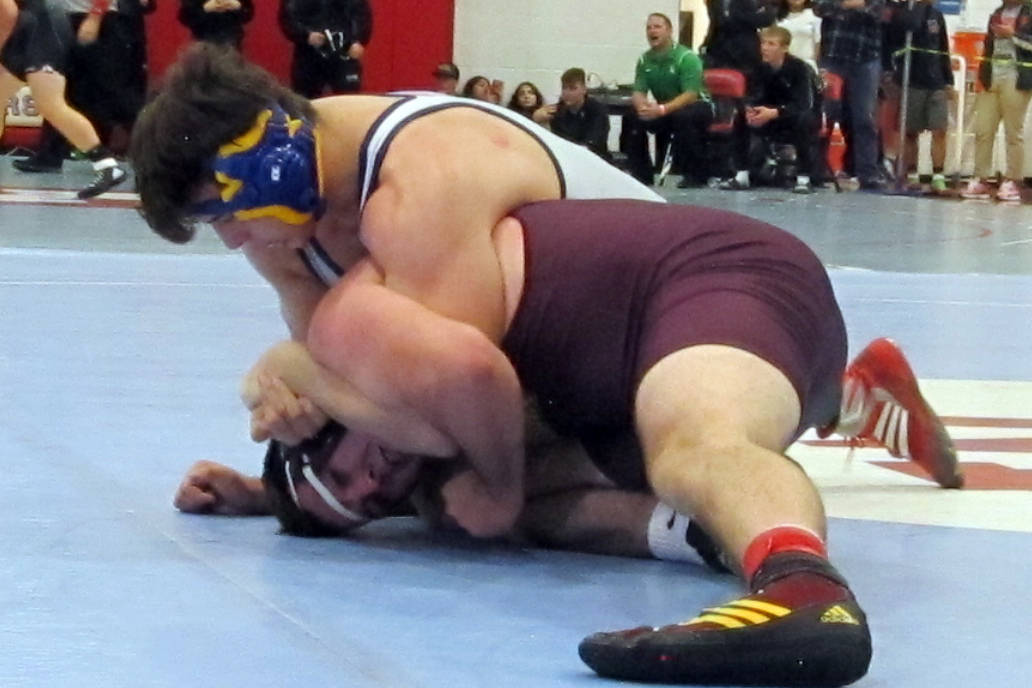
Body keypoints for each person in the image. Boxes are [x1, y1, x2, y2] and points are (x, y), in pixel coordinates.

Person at [178, 191, 961, 685]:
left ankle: (804, 590)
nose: (377, 479)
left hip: (712, 273)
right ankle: (851, 403)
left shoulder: (401, 333)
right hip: (677, 340)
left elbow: (462, 383)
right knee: (491, 500)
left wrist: (289, 368)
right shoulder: (420, 446)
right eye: (369, 497)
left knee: (689, 448)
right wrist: (268, 496)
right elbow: (393, 464)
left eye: (359, 465)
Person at [129, 43, 662, 343]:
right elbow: (342, 376)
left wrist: (295, 375)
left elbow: (459, 393)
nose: (232, 240)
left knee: (475, 489)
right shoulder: (282, 232)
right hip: (591, 341)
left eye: (224, 213)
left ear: (270, 165)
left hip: (671, 313)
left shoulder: (426, 173)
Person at [0, 0, 127, 198]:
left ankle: (108, 166)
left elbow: (7, 11)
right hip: (27, 28)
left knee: (50, 104)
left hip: (41, 29)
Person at [13, 0, 154, 173]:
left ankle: (157, 155)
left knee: (119, 93)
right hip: (67, 16)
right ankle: (50, 154)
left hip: (104, 20)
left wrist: (95, 16)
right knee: (62, 89)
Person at [720, 26, 820, 193]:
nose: (765, 48)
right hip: (767, 117)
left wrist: (775, 112)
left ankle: (804, 178)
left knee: (805, 119)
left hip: (790, 117)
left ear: (785, 48)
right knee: (740, 118)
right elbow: (750, 95)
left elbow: (804, 104)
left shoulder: (800, 69)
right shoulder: (758, 68)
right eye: (763, 43)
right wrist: (751, 111)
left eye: (771, 44)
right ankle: (741, 175)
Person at [622, 12, 714, 188]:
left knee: (684, 116)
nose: (652, 31)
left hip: (697, 106)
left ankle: (695, 175)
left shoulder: (686, 58)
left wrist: (662, 110)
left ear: (669, 31)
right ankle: (641, 174)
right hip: (666, 108)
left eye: (657, 26)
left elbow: (691, 94)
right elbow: (639, 91)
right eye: (648, 27)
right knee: (631, 117)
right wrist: (642, 107)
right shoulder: (644, 60)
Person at [961, 0, 1032, 202]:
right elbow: (988, 48)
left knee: (1013, 132)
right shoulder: (996, 13)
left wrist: (1013, 36)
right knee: (983, 130)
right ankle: (981, 177)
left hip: (1016, 77)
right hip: (992, 76)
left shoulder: (1029, 12)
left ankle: (1012, 180)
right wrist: (982, 76)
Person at [814, 0, 886, 191]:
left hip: (866, 59)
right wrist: (856, 5)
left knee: (865, 119)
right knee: (825, 116)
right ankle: (817, 170)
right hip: (832, 57)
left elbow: (879, 12)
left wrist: (843, 6)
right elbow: (819, 7)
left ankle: (867, 174)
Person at [894, 0, 953, 193]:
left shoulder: (937, 15)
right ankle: (911, 175)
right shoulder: (903, 12)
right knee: (911, 131)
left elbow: (943, 47)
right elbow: (906, 29)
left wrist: (948, 80)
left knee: (939, 129)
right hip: (912, 80)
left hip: (935, 81)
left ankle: (938, 176)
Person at [278, 0, 372, 98]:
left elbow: (361, 14)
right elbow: (287, 17)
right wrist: (306, 36)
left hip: (344, 51)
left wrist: (358, 40)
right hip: (309, 54)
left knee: (348, 99)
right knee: (305, 100)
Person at [702, 0, 778, 87]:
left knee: (747, 87)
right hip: (718, 50)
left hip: (745, 51)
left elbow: (765, 19)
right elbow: (715, 22)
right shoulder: (713, 2)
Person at [546, 68, 611, 161]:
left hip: (595, 160)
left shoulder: (597, 110)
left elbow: (594, 142)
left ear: (584, 90)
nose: (567, 93)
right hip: (567, 160)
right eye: (564, 88)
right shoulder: (558, 112)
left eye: (573, 88)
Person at [177, 0, 252, 49]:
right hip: (203, 41)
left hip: (232, 41)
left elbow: (248, 13)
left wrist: (237, 6)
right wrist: (206, 9)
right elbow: (184, 16)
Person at [778, 0, 821, 69]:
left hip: (806, 65)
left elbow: (817, 43)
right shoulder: (777, 18)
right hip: (782, 66)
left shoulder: (814, 16)